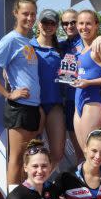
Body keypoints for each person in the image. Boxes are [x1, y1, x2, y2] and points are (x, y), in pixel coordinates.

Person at [0, 0, 41, 186]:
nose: (30, 18)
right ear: (16, 13)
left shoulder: (27, 42)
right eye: (25, 14)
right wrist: (8, 94)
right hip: (19, 108)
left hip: (32, 107)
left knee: (28, 160)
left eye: (33, 14)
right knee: (17, 159)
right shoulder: (10, 39)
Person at [72, 9, 101, 152]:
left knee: (93, 153)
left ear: (96, 25)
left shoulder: (99, 46)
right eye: (81, 23)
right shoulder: (79, 48)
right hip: (78, 103)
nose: (84, 27)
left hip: (93, 103)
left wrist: (90, 83)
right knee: (86, 153)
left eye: (88, 24)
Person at [31, 9, 65, 166]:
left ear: (57, 26)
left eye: (52, 23)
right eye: (45, 22)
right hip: (33, 106)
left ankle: (42, 185)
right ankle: (31, 188)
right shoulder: (27, 46)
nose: (48, 26)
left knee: (57, 154)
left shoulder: (61, 48)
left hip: (55, 104)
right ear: (39, 24)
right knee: (31, 156)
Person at [59, 9, 83, 162]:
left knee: (91, 145)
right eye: (65, 23)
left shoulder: (91, 40)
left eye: (73, 22)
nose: (69, 26)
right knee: (78, 148)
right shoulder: (60, 45)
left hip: (86, 99)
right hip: (68, 101)